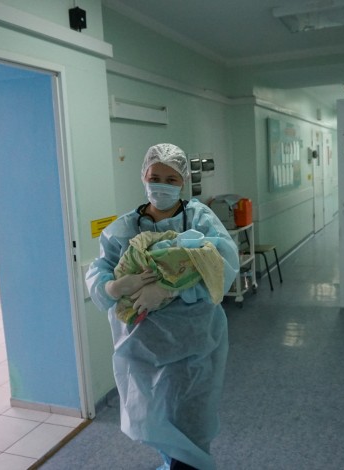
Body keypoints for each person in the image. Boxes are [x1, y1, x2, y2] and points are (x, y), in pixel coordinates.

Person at [85, 143, 239, 470]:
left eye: (171, 180)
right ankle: (172, 463)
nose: (162, 186)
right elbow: (100, 269)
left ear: (183, 181)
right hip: (141, 346)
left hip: (194, 343)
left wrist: (170, 290)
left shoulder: (199, 219)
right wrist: (112, 286)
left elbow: (223, 267)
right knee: (153, 418)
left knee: (191, 422)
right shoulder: (125, 228)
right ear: (143, 176)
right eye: (155, 178)